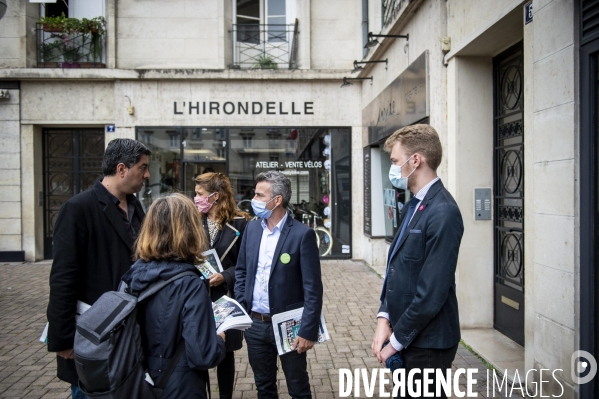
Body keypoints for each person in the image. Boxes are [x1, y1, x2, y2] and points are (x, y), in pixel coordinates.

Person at [47, 138, 151, 399]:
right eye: (142, 167)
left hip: (130, 336)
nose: (147, 174)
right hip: (94, 337)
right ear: (121, 169)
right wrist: (63, 341)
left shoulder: (136, 207)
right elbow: (63, 278)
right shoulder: (78, 209)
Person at [371, 124, 464, 398]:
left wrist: (395, 344)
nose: (393, 169)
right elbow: (397, 268)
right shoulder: (414, 204)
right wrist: (384, 317)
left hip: (428, 344)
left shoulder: (443, 212)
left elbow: (431, 295)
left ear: (416, 160)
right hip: (407, 335)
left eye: (395, 161)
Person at [121, 193, 226, 399]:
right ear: (190, 231)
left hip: (137, 382)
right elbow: (203, 355)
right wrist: (219, 339)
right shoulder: (191, 284)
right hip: (180, 386)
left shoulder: (132, 275)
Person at [235, 171, 323, 399]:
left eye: (259, 195)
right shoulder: (252, 229)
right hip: (255, 324)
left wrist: (308, 330)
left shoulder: (302, 235)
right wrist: (243, 307)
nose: (253, 199)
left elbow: (313, 289)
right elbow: (242, 271)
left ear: (277, 200)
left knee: (298, 388)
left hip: (289, 325)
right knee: (264, 387)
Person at [194, 172, 251, 399]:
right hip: (197, 296)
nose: (195, 198)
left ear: (215, 196)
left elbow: (247, 265)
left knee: (225, 354)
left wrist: (225, 275)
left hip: (225, 299)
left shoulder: (241, 225)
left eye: (200, 194)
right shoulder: (192, 221)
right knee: (197, 348)